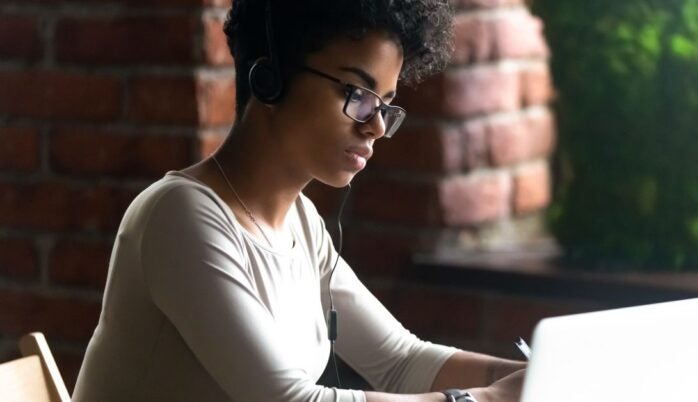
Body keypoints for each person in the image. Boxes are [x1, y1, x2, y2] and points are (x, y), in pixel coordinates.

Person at [72, 0, 527, 401]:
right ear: (271, 78)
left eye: (385, 104)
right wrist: (485, 400)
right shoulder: (179, 217)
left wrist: (540, 379)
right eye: (357, 94)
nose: (377, 127)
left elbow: (400, 361)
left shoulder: (301, 224)